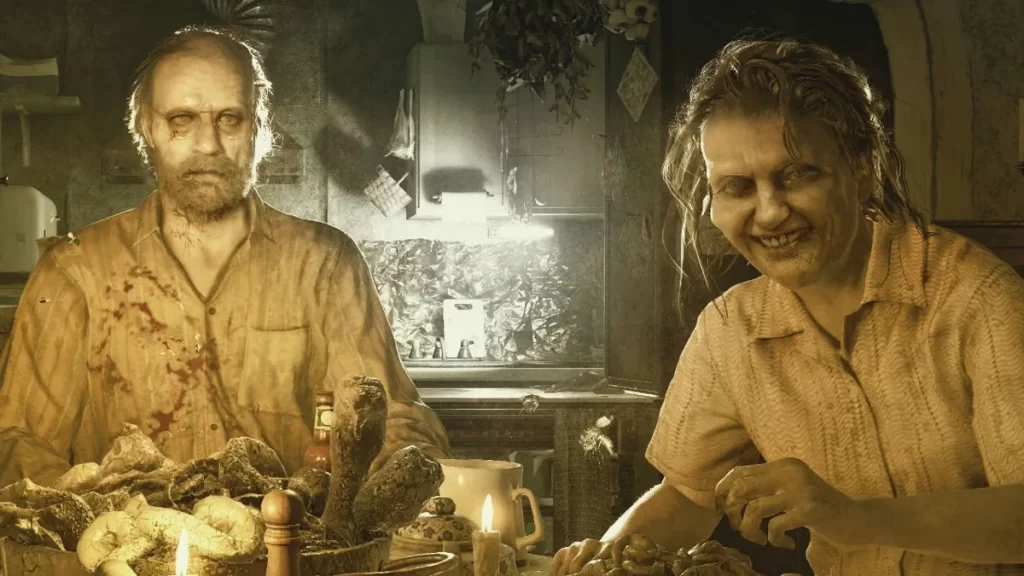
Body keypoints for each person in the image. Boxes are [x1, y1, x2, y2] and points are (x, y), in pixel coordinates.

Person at [553, 38, 1024, 576]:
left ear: (862, 168)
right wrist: (607, 560)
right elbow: (686, 495)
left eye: (797, 175)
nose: (770, 212)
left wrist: (853, 518)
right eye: (736, 187)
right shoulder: (729, 329)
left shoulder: (977, 297)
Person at [0, 25, 449, 488]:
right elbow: (19, 445)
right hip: (125, 537)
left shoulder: (326, 265)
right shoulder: (74, 273)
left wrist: (398, 477)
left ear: (258, 128)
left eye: (229, 119)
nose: (208, 144)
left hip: (292, 534)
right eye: (182, 119)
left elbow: (393, 423)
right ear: (147, 128)